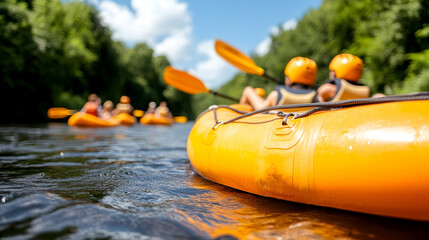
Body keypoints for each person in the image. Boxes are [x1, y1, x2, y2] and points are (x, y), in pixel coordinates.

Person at [239, 57, 318, 110]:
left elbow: (261, 109)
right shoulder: (315, 97)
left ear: (290, 78)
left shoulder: (276, 95)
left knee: (248, 90)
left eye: (286, 76)